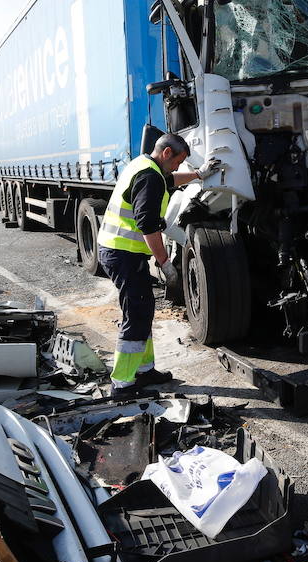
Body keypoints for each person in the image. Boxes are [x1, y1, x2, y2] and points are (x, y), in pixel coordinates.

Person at [95, 134, 221, 393]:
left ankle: (143, 371)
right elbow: (147, 225)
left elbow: (170, 180)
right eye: (178, 161)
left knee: (143, 309)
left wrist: (198, 174)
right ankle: (122, 383)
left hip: (120, 251)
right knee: (137, 313)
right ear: (166, 154)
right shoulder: (150, 176)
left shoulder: (145, 165)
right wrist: (164, 262)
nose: (178, 167)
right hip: (123, 253)